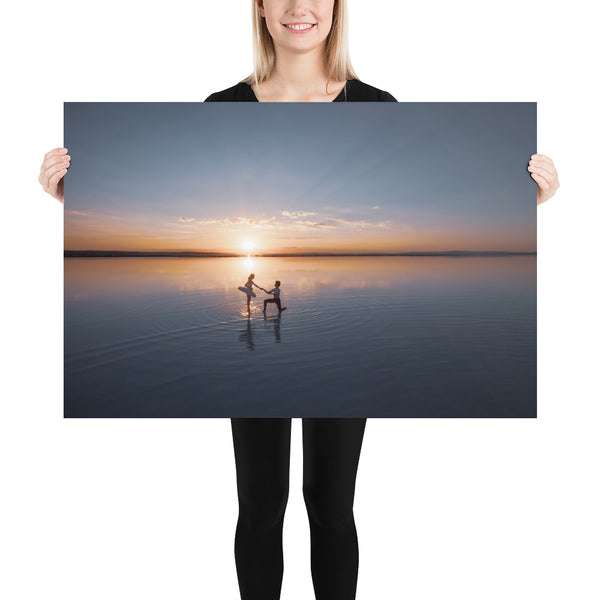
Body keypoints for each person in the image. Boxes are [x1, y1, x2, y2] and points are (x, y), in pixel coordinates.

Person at [37, 1, 560, 599]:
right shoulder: (222, 111)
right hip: (252, 356)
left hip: (345, 350)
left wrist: (522, 203)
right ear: (259, 9)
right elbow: (184, 206)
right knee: (261, 504)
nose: (298, 7)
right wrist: (73, 201)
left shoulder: (375, 109)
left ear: (337, 9)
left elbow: (432, 192)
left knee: (332, 505)